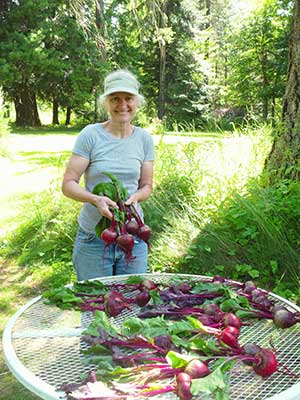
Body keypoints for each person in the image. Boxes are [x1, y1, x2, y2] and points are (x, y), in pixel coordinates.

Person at [62, 69, 155, 281]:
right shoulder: (90, 135)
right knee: (94, 306)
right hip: (94, 239)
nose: (123, 105)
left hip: (133, 235)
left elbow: (147, 185)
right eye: (115, 99)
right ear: (106, 103)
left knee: (132, 306)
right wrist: (96, 199)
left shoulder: (144, 139)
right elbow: (68, 184)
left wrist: (136, 198)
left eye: (128, 98)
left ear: (137, 102)